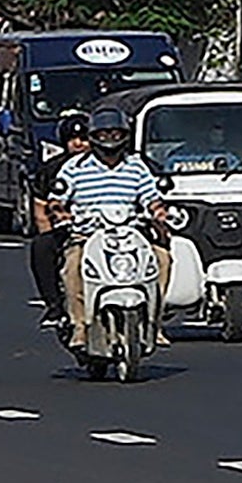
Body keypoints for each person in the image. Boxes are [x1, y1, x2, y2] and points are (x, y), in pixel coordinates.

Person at [32, 108, 163, 329]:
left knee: (162, 259)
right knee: (72, 267)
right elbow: (55, 199)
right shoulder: (73, 167)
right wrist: (61, 214)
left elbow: (151, 197)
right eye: (103, 135)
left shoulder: (137, 166)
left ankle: (153, 322)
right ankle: (79, 325)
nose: (110, 141)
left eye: (116, 135)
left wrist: (159, 211)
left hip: (130, 234)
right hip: (87, 234)